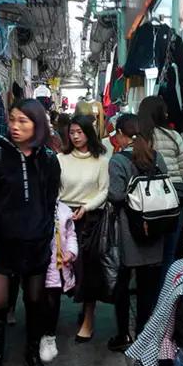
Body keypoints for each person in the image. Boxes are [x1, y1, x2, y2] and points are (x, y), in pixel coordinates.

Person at [0, 99, 61, 366]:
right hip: (1, 248)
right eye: (12, 119)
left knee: (35, 304)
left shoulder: (49, 160)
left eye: (23, 121)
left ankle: (32, 356)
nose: (15, 126)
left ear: (37, 125)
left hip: (36, 247)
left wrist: (45, 237)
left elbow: (51, 203)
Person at [107, 114, 167, 352]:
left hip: (128, 229)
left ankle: (124, 335)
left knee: (122, 282)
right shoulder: (156, 157)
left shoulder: (118, 160)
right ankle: (143, 334)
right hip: (155, 228)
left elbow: (115, 195)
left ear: (122, 134)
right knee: (147, 287)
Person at [57, 115, 109, 342]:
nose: (76, 137)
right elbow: (55, 188)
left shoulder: (101, 161)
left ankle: (88, 318)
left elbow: (104, 190)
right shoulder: (61, 158)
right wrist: (61, 211)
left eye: (80, 132)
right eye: (72, 132)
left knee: (88, 270)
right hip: (63, 218)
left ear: (89, 133)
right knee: (59, 267)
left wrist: (87, 208)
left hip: (90, 219)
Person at [137, 96, 183, 277]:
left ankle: (146, 289)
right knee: (169, 252)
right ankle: (165, 292)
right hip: (174, 198)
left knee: (147, 251)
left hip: (148, 200)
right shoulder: (173, 136)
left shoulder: (140, 138)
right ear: (161, 113)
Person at [39, 200, 78, 363]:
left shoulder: (63, 210)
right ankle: (37, 335)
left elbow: (70, 235)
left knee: (53, 300)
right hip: (37, 264)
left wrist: (71, 252)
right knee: (36, 300)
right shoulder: (35, 206)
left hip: (57, 266)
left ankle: (49, 335)